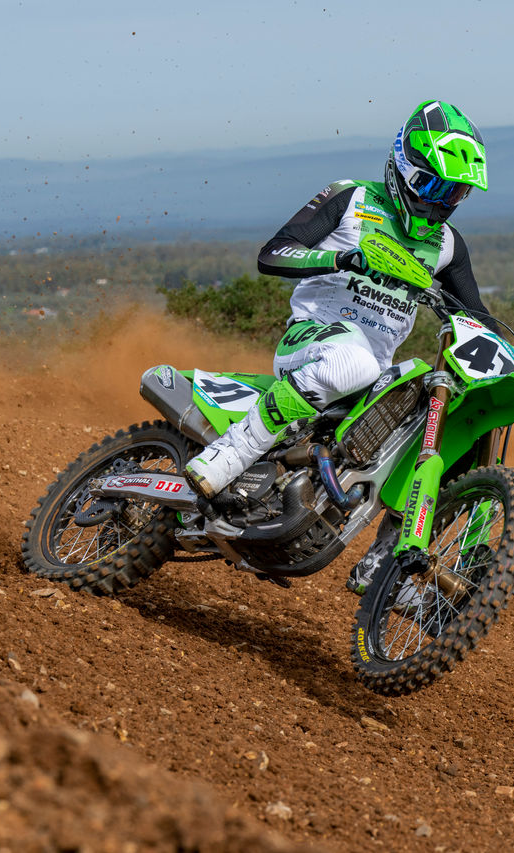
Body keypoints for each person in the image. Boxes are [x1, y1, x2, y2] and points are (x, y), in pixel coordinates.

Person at [183, 99, 492, 591]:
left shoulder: (447, 244)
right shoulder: (351, 198)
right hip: (312, 338)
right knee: (353, 360)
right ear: (404, 168)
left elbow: (476, 315)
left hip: (373, 369)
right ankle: (228, 454)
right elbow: (273, 254)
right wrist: (341, 259)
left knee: (439, 417)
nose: (442, 202)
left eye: (455, 192)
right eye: (434, 186)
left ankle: (389, 569)